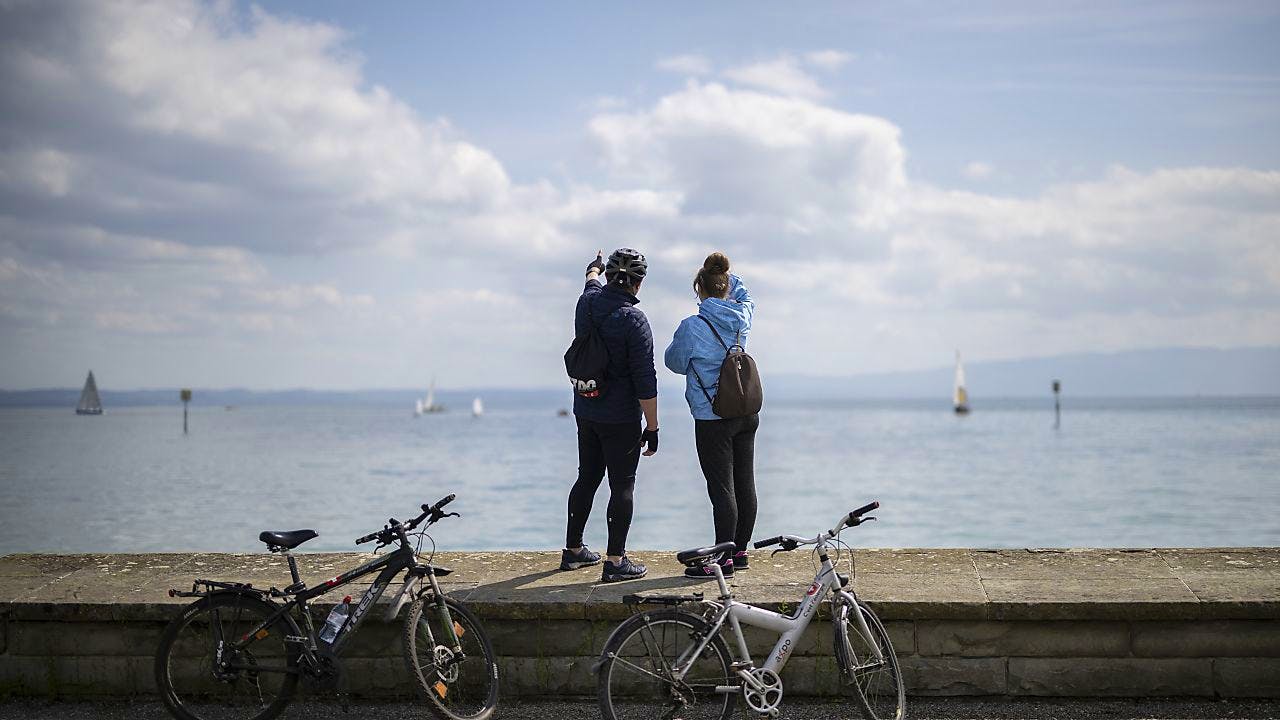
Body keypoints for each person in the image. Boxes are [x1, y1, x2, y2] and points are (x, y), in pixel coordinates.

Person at [561, 248, 659, 583]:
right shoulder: (635, 321)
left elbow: (590, 282)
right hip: (620, 417)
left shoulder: (586, 302)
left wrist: (593, 267)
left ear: (608, 276)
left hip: (585, 409)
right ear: (638, 282)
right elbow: (645, 380)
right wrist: (653, 426)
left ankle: (573, 551)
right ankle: (615, 561)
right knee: (622, 486)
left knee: (586, 477)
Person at [664, 252, 757, 579]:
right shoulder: (741, 316)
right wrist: (732, 277)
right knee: (745, 482)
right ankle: (741, 551)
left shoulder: (692, 326)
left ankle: (724, 560)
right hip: (746, 411)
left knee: (722, 489)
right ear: (726, 286)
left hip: (712, 416)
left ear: (699, 290)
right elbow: (747, 296)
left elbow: (673, 362)